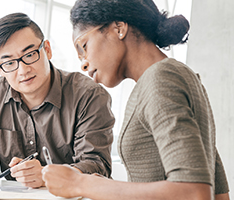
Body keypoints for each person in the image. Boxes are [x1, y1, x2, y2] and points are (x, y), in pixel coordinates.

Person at [41, 0, 230, 199]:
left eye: (84, 47)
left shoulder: (161, 78)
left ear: (119, 28)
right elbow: (219, 193)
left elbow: (194, 192)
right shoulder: (179, 75)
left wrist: (82, 183)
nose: (84, 64)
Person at [0, 12, 115, 188]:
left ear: (47, 50)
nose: (22, 70)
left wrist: (47, 176)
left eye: (29, 55)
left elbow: (97, 165)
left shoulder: (88, 95)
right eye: (9, 63)